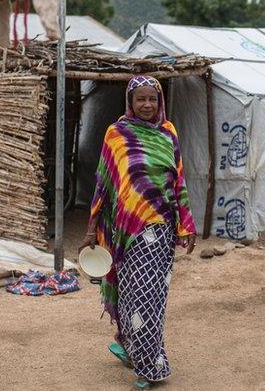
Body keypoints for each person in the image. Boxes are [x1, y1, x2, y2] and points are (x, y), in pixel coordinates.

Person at [80, 75, 197, 389]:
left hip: (160, 230)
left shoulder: (168, 133)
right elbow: (104, 183)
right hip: (125, 230)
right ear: (130, 103)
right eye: (140, 99)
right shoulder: (117, 134)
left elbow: (179, 181)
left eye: (152, 99)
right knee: (130, 295)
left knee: (149, 298)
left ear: (160, 101)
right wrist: (92, 229)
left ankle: (150, 367)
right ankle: (132, 348)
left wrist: (186, 224)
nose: (147, 105)